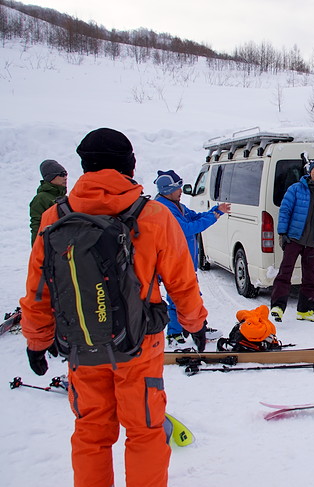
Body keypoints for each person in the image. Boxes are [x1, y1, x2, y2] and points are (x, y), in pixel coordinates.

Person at [20, 128, 208, 487]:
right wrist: (194, 323)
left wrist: (36, 341)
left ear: (84, 166)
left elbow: (38, 291)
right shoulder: (152, 215)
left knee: (91, 433)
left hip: (82, 345)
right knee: (146, 431)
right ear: (129, 165)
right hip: (139, 345)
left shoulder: (54, 217)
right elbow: (182, 282)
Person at [153, 169, 231, 345]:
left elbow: (195, 217)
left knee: (189, 297)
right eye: (177, 187)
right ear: (166, 190)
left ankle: (195, 328)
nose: (181, 190)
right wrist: (215, 216)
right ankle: (177, 334)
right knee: (179, 298)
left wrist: (214, 211)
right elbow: (187, 229)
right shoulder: (163, 209)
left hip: (184, 261)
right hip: (173, 262)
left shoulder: (177, 205)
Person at [269, 159, 314, 322]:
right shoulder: (296, 189)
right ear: (310, 171)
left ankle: (305, 310)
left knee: (311, 276)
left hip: (313, 241)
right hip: (294, 238)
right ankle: (277, 307)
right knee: (285, 272)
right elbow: (285, 211)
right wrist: (282, 232)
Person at [29, 159, 68, 245]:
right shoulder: (41, 198)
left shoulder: (63, 198)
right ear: (50, 178)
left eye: (66, 174)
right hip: (52, 246)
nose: (65, 177)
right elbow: (36, 226)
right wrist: (37, 251)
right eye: (61, 175)